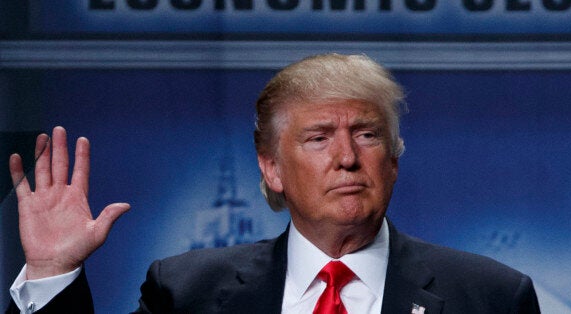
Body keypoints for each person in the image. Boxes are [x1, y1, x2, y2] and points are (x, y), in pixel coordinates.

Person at [6, 53, 541, 313]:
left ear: (394, 159)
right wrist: (53, 272)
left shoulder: (491, 297)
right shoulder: (185, 293)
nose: (348, 157)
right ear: (271, 168)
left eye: (368, 134)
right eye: (318, 138)